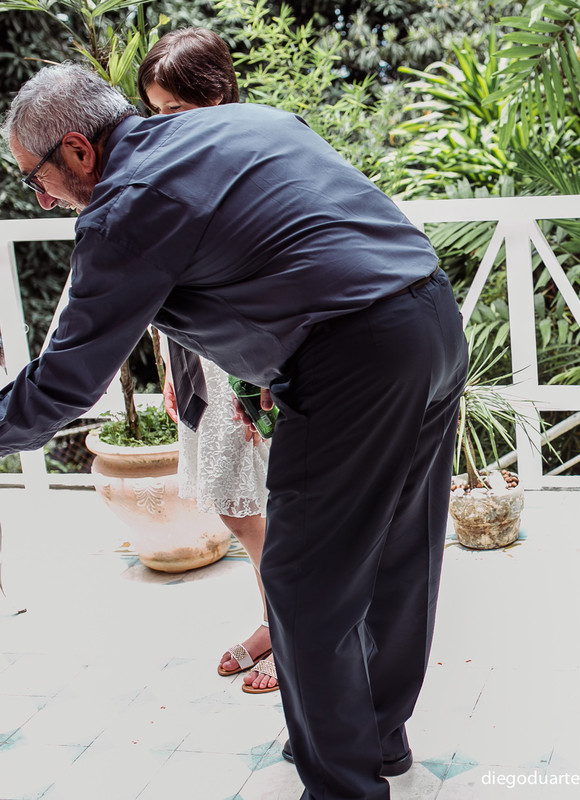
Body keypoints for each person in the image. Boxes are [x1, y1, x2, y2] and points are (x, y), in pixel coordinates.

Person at [1, 63, 468, 799]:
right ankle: (376, 739)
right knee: (398, 555)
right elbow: (296, 236)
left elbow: (66, 380)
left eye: (36, 177)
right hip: (432, 319)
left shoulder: (125, 206)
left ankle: (343, 786)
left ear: (79, 150)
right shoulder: (240, 123)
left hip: (355, 359)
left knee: (302, 581)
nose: (42, 197)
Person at [137, 27, 278, 695]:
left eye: (175, 109)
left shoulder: (247, 158)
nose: (163, 124)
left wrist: (258, 378)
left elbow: (268, 275)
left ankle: (292, 633)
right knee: (238, 510)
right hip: (198, 357)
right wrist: (172, 363)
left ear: (218, 94)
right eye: (154, 112)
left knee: (260, 509)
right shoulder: (177, 162)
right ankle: (275, 622)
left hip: (244, 358)